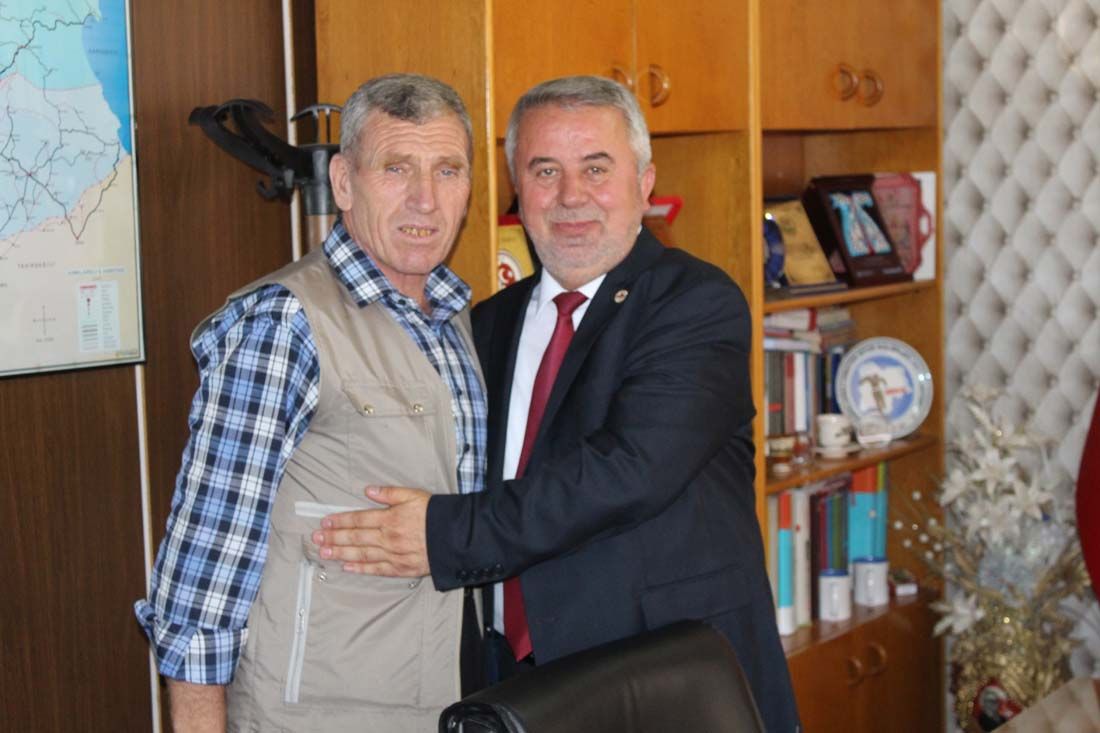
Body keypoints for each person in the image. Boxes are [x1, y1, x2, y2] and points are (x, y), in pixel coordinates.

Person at [313, 75, 800, 732]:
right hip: (510, 684)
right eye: (545, 171)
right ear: (517, 188)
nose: (571, 196)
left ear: (645, 183)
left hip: (666, 685)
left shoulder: (695, 304)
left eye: (596, 169)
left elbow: (626, 472)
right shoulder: (485, 324)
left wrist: (441, 535)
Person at [135, 73, 487, 732]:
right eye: (396, 169)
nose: (425, 198)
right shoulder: (285, 321)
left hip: (438, 705)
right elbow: (205, 564)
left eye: (448, 170)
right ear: (344, 183)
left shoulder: (455, 317)